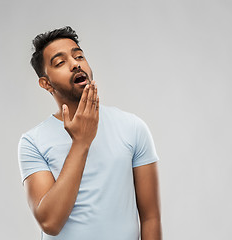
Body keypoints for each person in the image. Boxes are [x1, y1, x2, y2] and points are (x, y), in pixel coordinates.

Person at [18, 26, 162, 240]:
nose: (75, 63)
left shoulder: (132, 127)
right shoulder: (32, 142)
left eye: (79, 56)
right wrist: (81, 142)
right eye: (60, 62)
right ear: (46, 83)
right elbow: (50, 223)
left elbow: (150, 218)